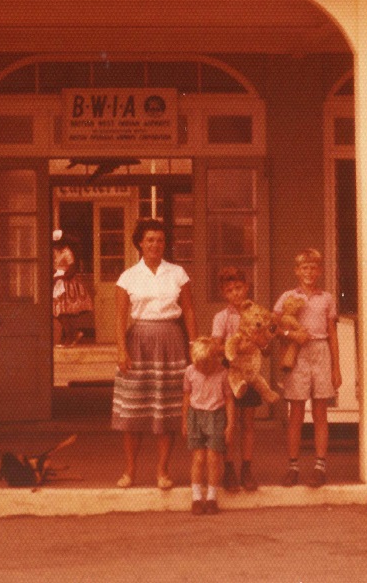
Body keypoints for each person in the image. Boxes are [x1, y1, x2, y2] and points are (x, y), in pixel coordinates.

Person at [112, 218, 197, 490]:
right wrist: (121, 350)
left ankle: (162, 470)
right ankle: (129, 470)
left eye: (159, 240)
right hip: (138, 342)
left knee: (166, 409)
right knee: (133, 411)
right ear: (139, 242)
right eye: (149, 240)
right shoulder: (128, 277)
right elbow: (120, 317)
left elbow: (189, 311)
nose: (155, 245)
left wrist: (194, 345)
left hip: (171, 340)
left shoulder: (178, 273)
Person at [273, 248, 342, 488]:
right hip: (297, 353)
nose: (309, 272)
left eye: (313, 267)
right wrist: (292, 334)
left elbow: (332, 334)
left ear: (320, 271)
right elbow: (274, 326)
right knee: (296, 412)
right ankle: (293, 466)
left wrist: (336, 368)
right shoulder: (288, 296)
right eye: (305, 268)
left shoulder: (327, 298)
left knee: (321, 411)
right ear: (297, 271)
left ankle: (319, 466)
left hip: (321, 350)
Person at [212, 266, 261, 492]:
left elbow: (265, 343)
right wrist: (232, 348)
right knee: (230, 423)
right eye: (230, 290)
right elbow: (216, 346)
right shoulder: (221, 317)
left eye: (239, 288)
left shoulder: (256, 313)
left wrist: (258, 341)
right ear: (224, 293)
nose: (235, 293)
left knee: (248, 422)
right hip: (230, 373)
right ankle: (229, 468)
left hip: (249, 373)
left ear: (247, 287)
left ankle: (247, 468)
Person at [182, 336, 235, 515]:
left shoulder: (222, 373)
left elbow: (229, 399)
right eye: (200, 365)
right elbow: (187, 398)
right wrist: (184, 421)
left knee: (213, 458)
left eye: (207, 364)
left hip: (216, 416)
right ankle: (197, 496)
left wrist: (230, 425)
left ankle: (212, 496)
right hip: (195, 416)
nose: (203, 369)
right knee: (198, 458)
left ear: (215, 360)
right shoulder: (190, 372)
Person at [52, 230, 93, 347]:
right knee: (58, 312)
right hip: (57, 282)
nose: (56, 245)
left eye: (58, 243)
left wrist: (60, 276)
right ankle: (73, 334)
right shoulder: (55, 251)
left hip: (65, 283)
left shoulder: (67, 252)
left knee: (63, 312)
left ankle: (70, 338)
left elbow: (72, 270)